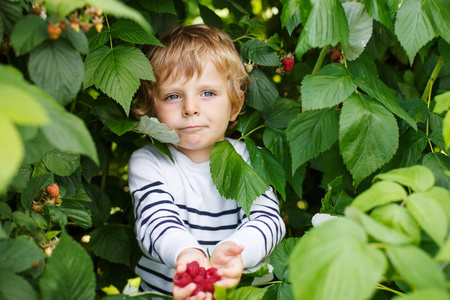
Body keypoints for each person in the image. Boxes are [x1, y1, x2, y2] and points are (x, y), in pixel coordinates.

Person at [128, 24, 286, 300]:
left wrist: (237, 251)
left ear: (235, 104)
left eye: (208, 93)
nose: (191, 108)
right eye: (173, 96)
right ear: (152, 108)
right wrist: (188, 256)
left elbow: (268, 220)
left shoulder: (251, 157)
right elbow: (156, 221)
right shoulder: (149, 163)